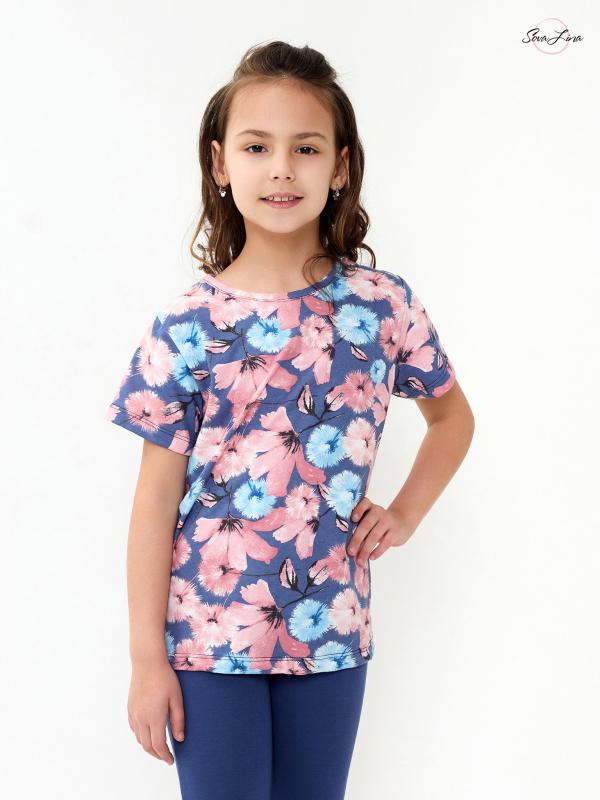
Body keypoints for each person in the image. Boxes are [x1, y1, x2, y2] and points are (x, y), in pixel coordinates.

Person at [105, 39, 475, 800]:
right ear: (220, 163)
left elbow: (452, 419)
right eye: (257, 147)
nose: (281, 168)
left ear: (340, 167)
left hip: (332, 629)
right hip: (206, 638)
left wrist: (404, 514)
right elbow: (155, 499)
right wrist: (147, 658)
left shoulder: (383, 305)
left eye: (305, 148)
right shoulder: (186, 323)